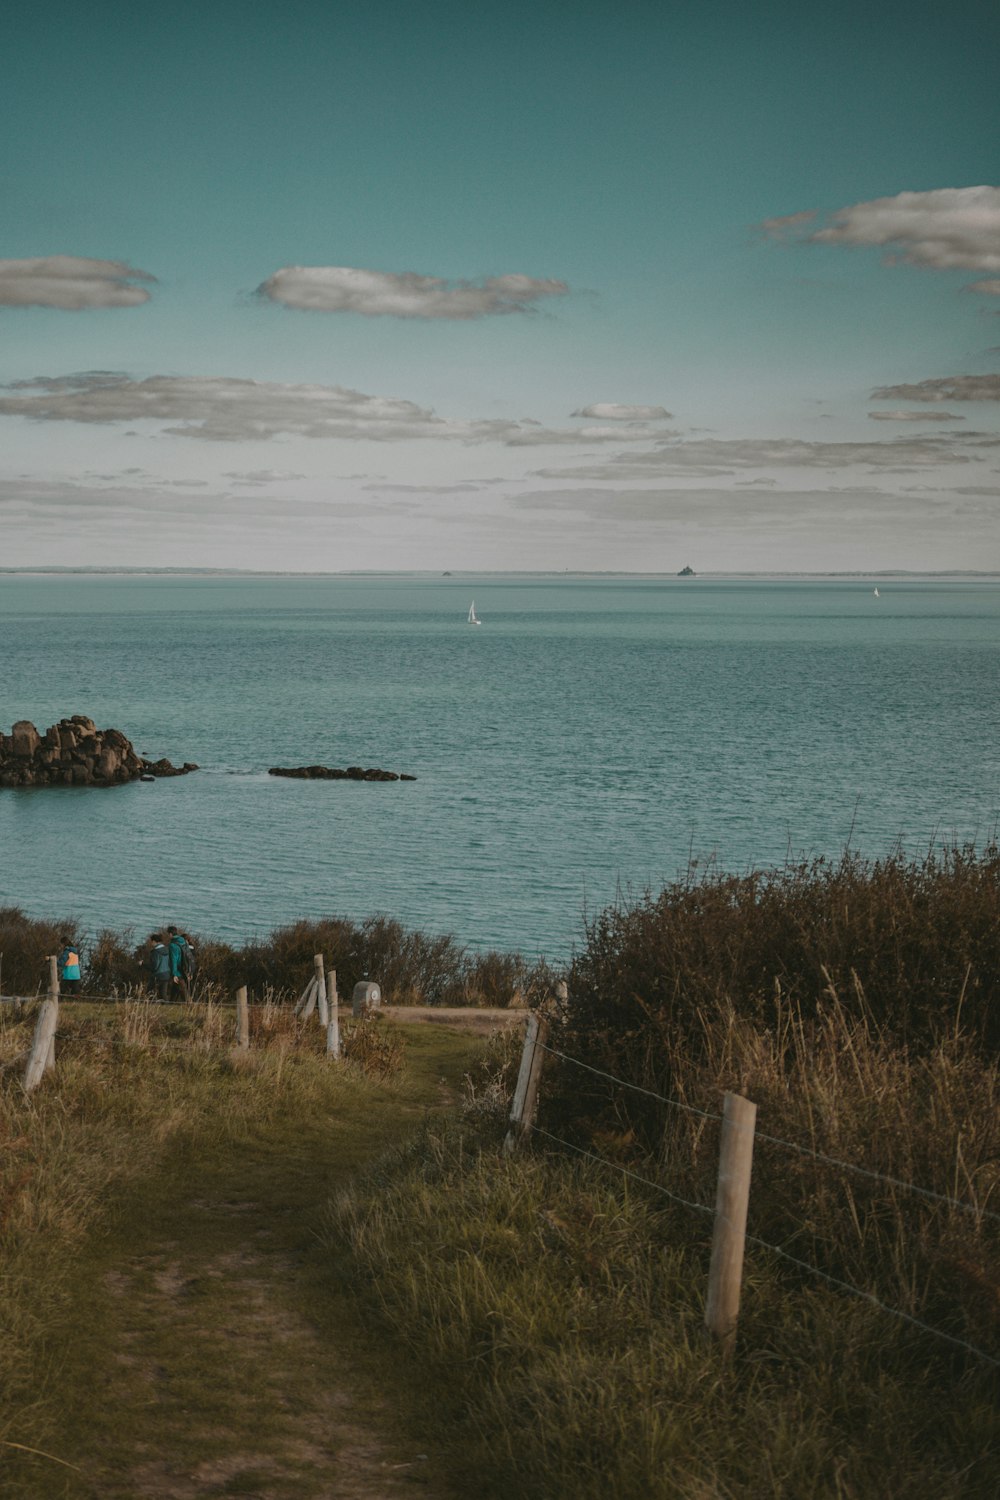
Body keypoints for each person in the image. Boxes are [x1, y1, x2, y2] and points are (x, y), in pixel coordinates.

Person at [166, 925, 195, 1002]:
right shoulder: (182, 940)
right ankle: (170, 1003)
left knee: (183, 989)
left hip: (179, 970)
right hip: (186, 967)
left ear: (170, 934)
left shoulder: (173, 945)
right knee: (175, 989)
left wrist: (174, 973)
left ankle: (189, 1006)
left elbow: (174, 960)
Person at [147, 933, 172, 1002]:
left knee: (150, 991)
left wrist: (143, 965)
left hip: (158, 975)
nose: (151, 943)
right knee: (163, 993)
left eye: (151, 941)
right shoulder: (167, 949)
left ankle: (151, 1007)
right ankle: (167, 1007)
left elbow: (154, 966)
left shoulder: (155, 952)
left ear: (154, 941)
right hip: (166, 974)